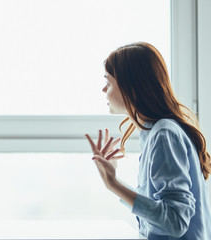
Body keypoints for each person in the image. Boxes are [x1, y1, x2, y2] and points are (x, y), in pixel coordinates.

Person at [85, 42, 211, 239]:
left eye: (108, 82)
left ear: (132, 88)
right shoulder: (155, 133)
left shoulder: (164, 134)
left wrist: (114, 185)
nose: (103, 89)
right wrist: (114, 182)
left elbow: (175, 222)